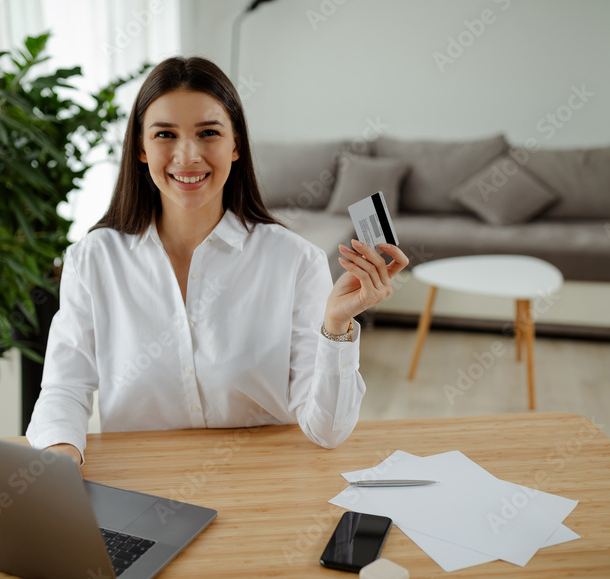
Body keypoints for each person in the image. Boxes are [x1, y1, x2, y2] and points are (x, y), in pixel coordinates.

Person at [25, 56, 408, 467]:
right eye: (165, 134)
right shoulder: (93, 259)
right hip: (139, 485)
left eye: (208, 133)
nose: (187, 156)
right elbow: (65, 388)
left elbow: (328, 431)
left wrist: (336, 327)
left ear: (236, 144)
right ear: (140, 147)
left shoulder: (295, 261)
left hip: (261, 485)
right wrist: (61, 460)